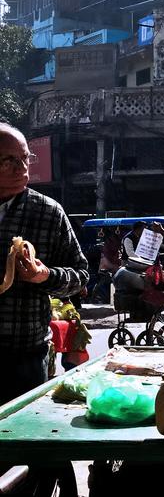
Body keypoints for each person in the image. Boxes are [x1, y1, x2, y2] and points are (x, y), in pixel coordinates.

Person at [0, 123, 89, 405]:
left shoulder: (48, 212)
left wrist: (45, 275)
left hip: (24, 357)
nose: (21, 167)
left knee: (18, 441)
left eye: (25, 158)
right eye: (9, 160)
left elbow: (81, 275)